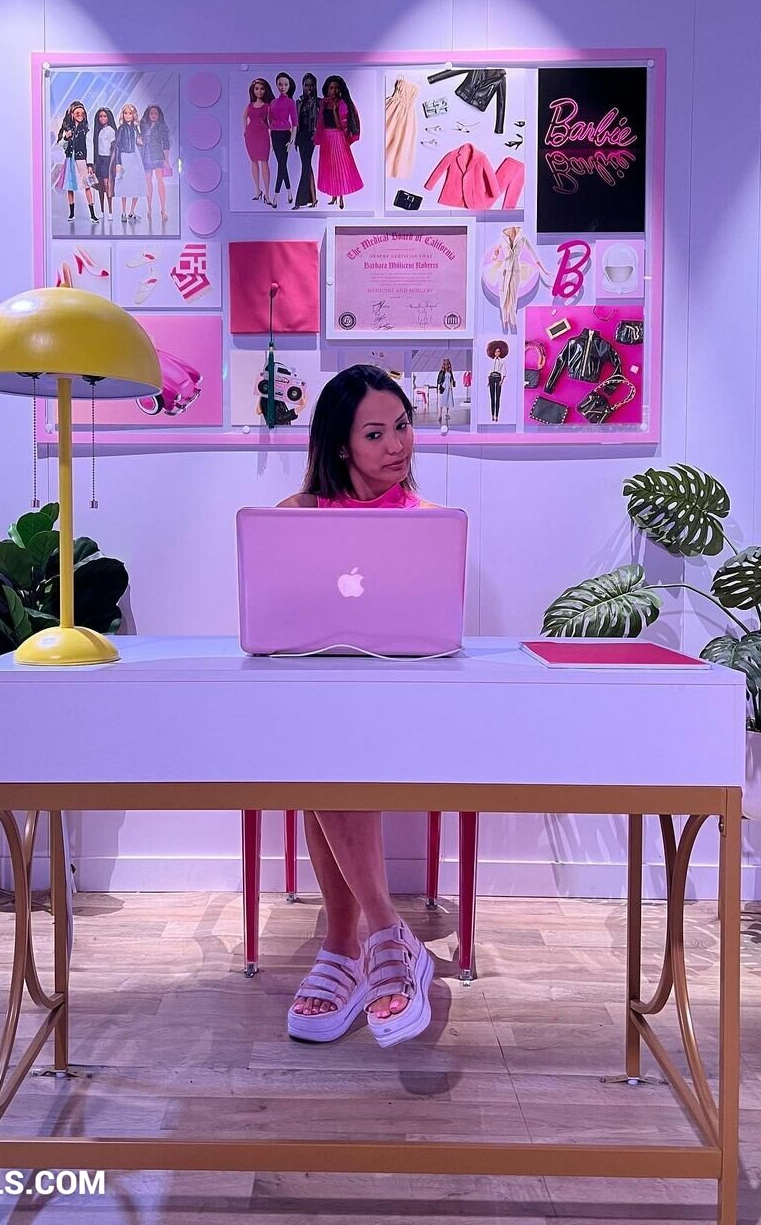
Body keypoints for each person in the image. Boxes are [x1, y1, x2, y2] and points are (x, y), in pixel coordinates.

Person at [276, 365, 435, 1049]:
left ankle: (351, 941)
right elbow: (273, 622)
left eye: (402, 426)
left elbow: (436, 632)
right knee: (324, 735)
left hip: (405, 705)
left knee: (329, 745)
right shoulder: (294, 518)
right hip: (323, 703)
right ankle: (382, 936)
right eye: (375, 434)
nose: (396, 445)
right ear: (340, 444)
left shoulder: (427, 523)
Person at [314, 75, 362, 210]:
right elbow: (321, 121)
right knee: (329, 168)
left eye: (336, 88)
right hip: (326, 139)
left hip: (338, 138)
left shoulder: (342, 104)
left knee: (339, 167)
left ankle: (341, 196)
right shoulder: (324, 103)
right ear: (327, 89)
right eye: (331, 88)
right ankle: (333, 196)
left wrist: (335, 111)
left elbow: (340, 126)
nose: (334, 90)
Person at [55, 100, 99, 223]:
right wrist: (66, 137)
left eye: (82, 113)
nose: (80, 115)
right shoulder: (68, 129)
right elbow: (61, 145)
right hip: (70, 159)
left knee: (87, 185)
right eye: (77, 113)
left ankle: (92, 214)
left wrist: (89, 164)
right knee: (70, 186)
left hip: (81, 160)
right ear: (72, 115)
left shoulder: (86, 130)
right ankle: (71, 213)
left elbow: (89, 147)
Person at [113, 103, 147, 224]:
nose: (128, 115)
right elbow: (117, 146)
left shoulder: (135, 128)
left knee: (137, 183)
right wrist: (118, 163)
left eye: (130, 113)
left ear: (134, 115)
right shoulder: (121, 128)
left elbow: (139, 142)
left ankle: (132, 211)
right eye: (125, 113)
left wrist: (140, 140)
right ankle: (123, 212)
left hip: (135, 156)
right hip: (125, 156)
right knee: (125, 185)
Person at [268, 72, 298, 207]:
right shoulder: (273, 102)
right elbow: (270, 120)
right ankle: (290, 192)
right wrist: (270, 142)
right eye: (280, 84)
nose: (282, 87)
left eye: (285, 85)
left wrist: (292, 140)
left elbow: (295, 123)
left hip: (285, 135)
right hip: (275, 135)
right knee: (282, 165)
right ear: (276, 85)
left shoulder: (290, 102)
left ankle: (276, 196)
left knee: (282, 165)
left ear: (289, 86)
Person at [139, 105, 171, 223]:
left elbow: (166, 143)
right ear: (148, 114)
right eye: (151, 113)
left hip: (158, 156)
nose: (153, 115)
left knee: (160, 181)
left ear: (159, 115)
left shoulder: (162, 127)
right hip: (146, 156)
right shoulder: (143, 126)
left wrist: (166, 159)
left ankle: (163, 209)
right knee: (148, 181)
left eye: (155, 113)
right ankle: (149, 208)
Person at [243, 78, 273, 203]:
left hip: (263, 134)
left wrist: (271, 139)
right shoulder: (249, 106)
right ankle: (257, 190)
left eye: (262, 89)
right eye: (256, 89)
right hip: (251, 135)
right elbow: (244, 117)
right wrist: (245, 131)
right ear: (253, 90)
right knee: (254, 161)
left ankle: (267, 193)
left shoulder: (267, 106)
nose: (259, 91)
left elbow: (270, 123)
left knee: (264, 161)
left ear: (265, 90)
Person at [293, 72, 320, 209]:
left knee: (305, 167)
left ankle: (299, 201)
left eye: (311, 85)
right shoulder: (298, 102)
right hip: (301, 137)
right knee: (307, 166)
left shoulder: (318, 102)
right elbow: (295, 122)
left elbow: (321, 121)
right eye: (306, 85)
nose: (308, 88)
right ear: (302, 86)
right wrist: (294, 139)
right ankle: (314, 199)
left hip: (311, 137)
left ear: (314, 86)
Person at [91, 107, 117, 220]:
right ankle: (101, 210)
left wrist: (113, 162)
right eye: (100, 116)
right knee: (100, 186)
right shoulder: (99, 130)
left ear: (108, 117)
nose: (102, 118)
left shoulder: (111, 131)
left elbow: (114, 147)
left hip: (107, 160)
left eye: (104, 116)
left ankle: (110, 211)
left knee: (107, 186)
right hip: (99, 160)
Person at [436, 357, 456, 428]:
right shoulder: (442, 372)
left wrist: (452, 384)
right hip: (444, 387)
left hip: (449, 387)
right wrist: (439, 387)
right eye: (445, 364)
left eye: (448, 364)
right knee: (441, 400)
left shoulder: (450, 372)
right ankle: (440, 415)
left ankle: (447, 413)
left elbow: (452, 379)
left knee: (448, 400)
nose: (446, 365)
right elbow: (439, 380)